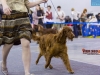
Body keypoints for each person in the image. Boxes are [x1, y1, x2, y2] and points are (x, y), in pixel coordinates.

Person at [0, 0, 48, 75]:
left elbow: (27, 4)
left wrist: (40, 1)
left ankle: (27, 72)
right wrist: (4, 5)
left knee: (26, 43)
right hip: (9, 15)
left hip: (23, 17)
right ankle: (4, 63)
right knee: (8, 43)